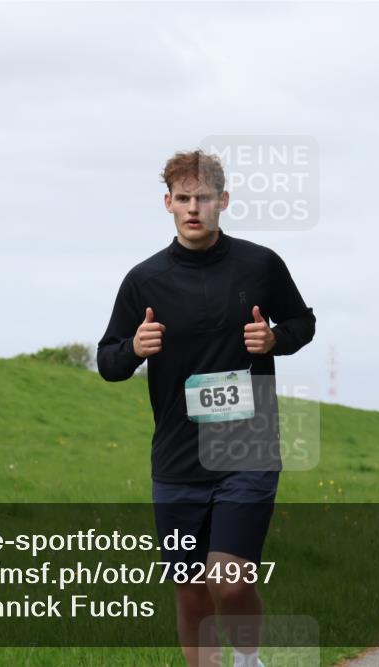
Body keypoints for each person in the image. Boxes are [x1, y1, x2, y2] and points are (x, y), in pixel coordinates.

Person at [97, 150, 315, 667]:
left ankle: (247, 658)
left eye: (204, 198)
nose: (194, 208)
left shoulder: (260, 264)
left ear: (224, 200)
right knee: (191, 590)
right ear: (168, 203)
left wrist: (274, 339)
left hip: (247, 445)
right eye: (184, 198)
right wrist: (134, 347)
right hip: (176, 455)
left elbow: (303, 324)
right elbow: (108, 360)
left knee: (228, 577)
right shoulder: (143, 280)